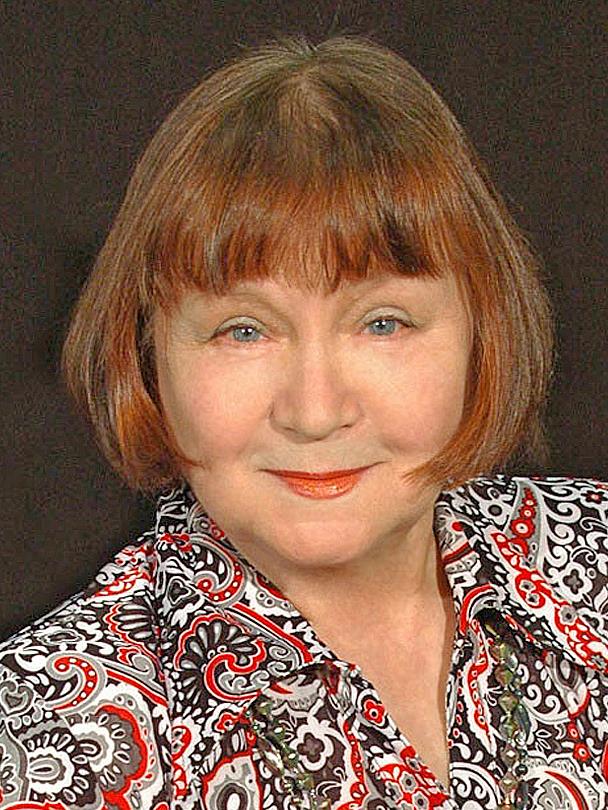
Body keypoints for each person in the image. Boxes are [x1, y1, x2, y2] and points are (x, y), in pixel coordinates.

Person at [0, 32, 606, 810]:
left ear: (482, 333)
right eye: (243, 331)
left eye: (383, 323)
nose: (315, 413)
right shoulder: (39, 734)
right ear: (149, 357)